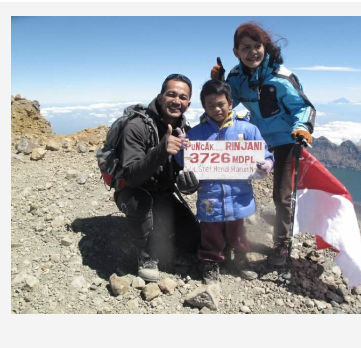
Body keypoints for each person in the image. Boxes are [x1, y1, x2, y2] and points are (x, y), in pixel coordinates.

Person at [211, 22, 316, 267]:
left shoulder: (281, 77)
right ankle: (233, 236)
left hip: (286, 139)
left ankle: (281, 244)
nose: (252, 52)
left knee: (281, 195)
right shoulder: (237, 77)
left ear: (265, 47)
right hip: (257, 139)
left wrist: (303, 127)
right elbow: (229, 102)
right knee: (233, 183)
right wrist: (220, 84)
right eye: (245, 47)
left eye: (257, 45)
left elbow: (305, 107)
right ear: (236, 52)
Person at [114, 74, 201, 282]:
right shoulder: (137, 127)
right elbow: (132, 176)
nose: (176, 101)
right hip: (133, 192)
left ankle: (161, 227)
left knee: (194, 241)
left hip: (163, 193)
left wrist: (190, 185)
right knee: (140, 201)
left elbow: (184, 174)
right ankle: (146, 257)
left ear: (188, 104)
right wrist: (160, 151)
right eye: (171, 94)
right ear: (160, 97)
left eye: (182, 97)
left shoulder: (185, 133)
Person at [185, 79, 274, 284]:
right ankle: (210, 261)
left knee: (238, 232)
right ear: (204, 106)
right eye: (210, 105)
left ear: (230, 103)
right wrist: (182, 150)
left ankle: (240, 258)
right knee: (210, 232)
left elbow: (265, 154)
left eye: (221, 104)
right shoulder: (196, 134)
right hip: (210, 196)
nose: (216, 109)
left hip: (239, 196)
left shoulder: (248, 130)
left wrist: (267, 164)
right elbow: (186, 163)